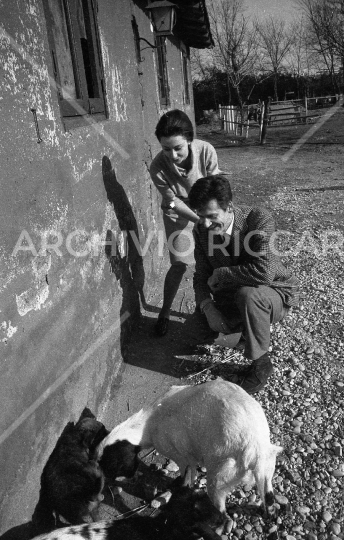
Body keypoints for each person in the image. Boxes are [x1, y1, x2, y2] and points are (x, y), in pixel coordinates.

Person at [188, 174, 299, 394]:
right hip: (231, 296)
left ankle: (261, 365)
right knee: (201, 330)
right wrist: (208, 308)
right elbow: (200, 276)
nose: (206, 224)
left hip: (273, 293)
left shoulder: (257, 219)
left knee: (249, 296)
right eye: (201, 217)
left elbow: (264, 273)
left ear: (229, 207)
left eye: (211, 216)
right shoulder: (201, 230)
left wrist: (221, 273)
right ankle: (243, 332)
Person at [150, 109, 220, 336]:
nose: (172, 155)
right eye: (165, 149)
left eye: (178, 148)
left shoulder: (206, 151)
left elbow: (215, 189)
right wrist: (198, 220)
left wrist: (211, 219)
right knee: (179, 264)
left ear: (189, 140)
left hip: (206, 209)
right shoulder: (158, 167)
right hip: (177, 213)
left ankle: (219, 312)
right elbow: (172, 202)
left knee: (218, 259)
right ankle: (165, 312)